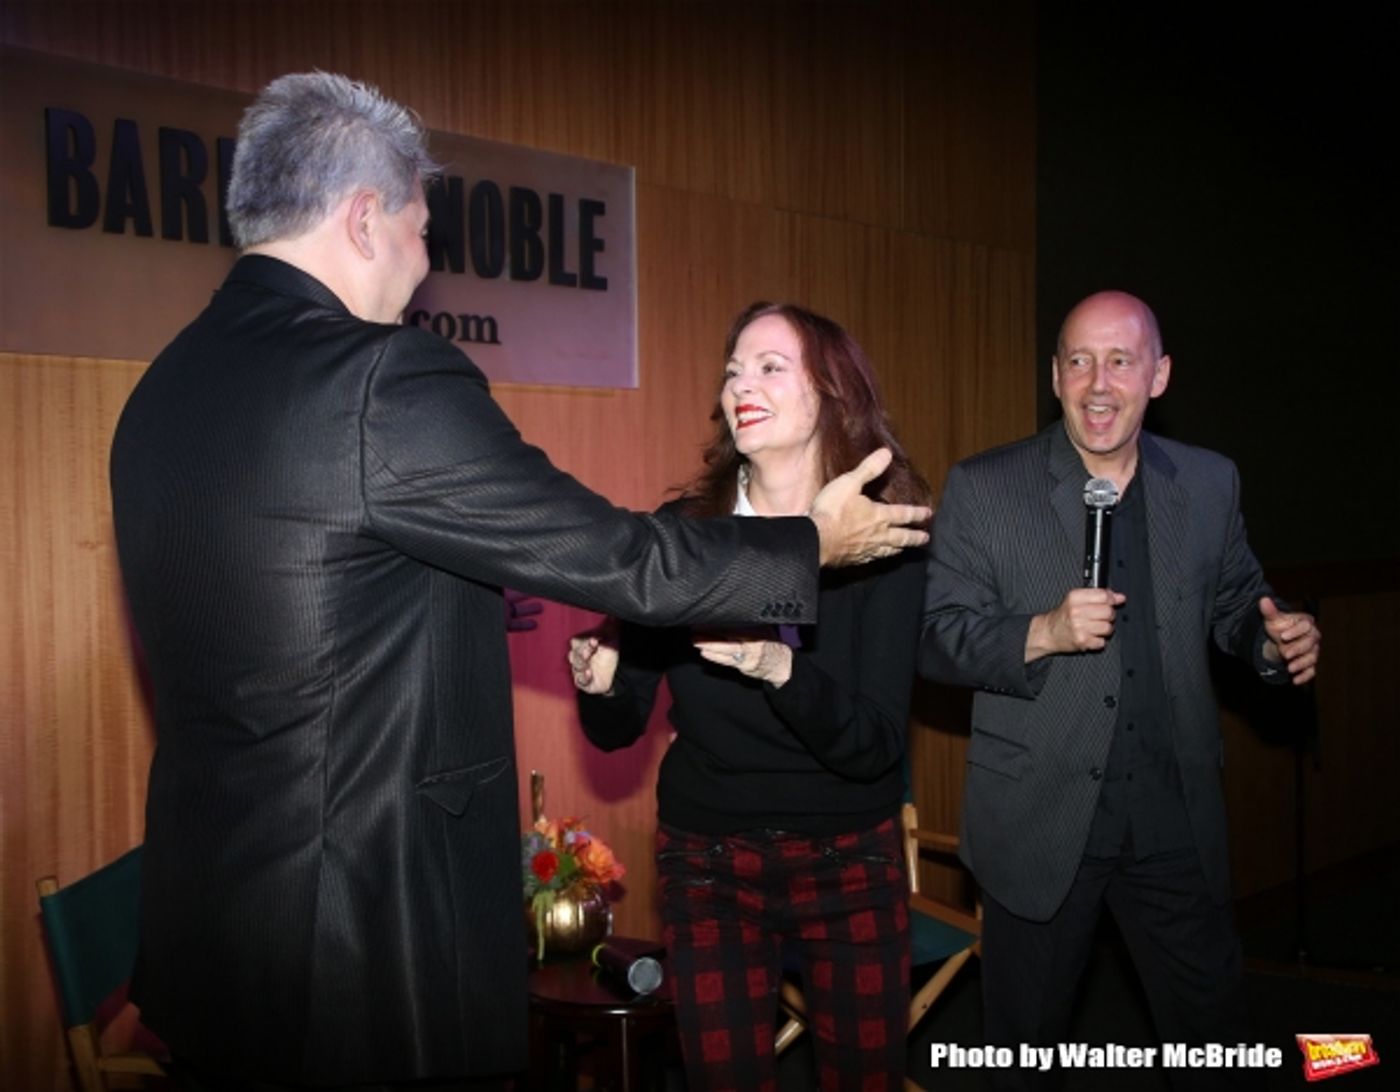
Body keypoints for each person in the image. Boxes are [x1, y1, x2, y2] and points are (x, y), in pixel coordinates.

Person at [108, 74, 931, 1091]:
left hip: (216, 935)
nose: (425, 261)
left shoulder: (163, 389)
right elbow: (621, 558)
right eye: (421, 230)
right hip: (361, 938)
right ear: (365, 218)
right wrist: (808, 545)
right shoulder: (377, 377)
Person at [919, 290, 1321, 1089]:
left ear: (1159, 374)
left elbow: (1240, 601)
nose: (1098, 384)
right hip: (1038, 823)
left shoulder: (1209, 484)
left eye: (1120, 360)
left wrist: (1273, 643)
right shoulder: (985, 487)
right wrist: (1042, 632)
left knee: (1214, 1046)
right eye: (1078, 361)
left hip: (1174, 820)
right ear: (1056, 375)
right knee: (1021, 1061)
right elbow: (932, 637)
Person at [569, 302, 931, 1090]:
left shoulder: (884, 539)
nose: (742, 384)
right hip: (709, 857)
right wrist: (597, 684)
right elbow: (617, 727)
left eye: (771, 367)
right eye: (735, 369)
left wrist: (780, 669)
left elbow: (873, 747)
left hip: (848, 851)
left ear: (832, 393)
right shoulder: (687, 532)